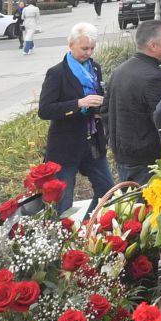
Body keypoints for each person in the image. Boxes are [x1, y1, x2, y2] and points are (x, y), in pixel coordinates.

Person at [38, 20, 114, 214]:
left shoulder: (94, 68)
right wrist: (79, 103)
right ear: (70, 44)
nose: (88, 53)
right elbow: (45, 110)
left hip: (93, 142)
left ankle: (90, 226)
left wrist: (100, 109)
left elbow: (96, 99)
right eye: (84, 48)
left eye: (92, 48)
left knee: (107, 190)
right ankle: (64, 237)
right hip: (66, 145)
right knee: (63, 202)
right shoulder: (57, 73)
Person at [106, 20, 161, 186]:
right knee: (146, 209)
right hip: (146, 162)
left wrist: (113, 141)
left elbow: (105, 111)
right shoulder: (152, 76)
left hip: (124, 157)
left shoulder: (119, 70)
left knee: (132, 209)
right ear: (153, 45)